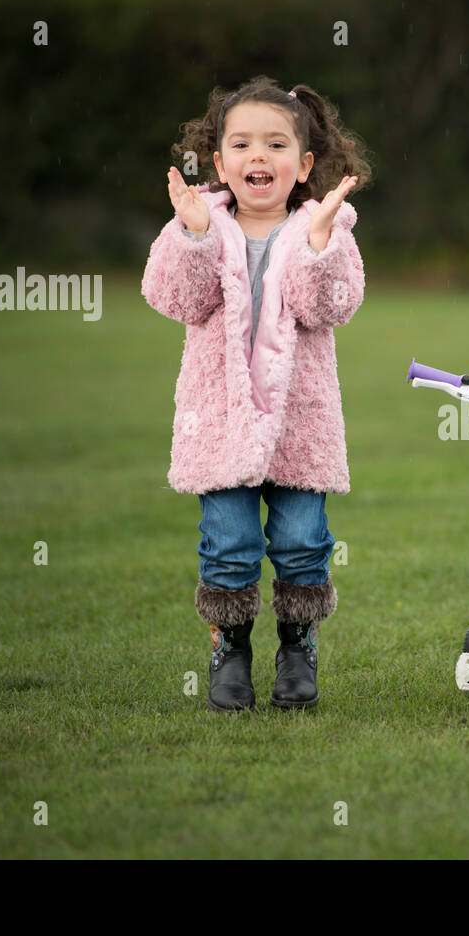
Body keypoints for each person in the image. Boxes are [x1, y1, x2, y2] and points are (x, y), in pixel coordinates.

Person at [141, 75, 371, 712]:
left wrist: (322, 245)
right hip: (221, 422)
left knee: (302, 539)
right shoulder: (201, 224)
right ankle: (230, 650)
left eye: (275, 145)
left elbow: (328, 307)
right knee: (229, 542)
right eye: (241, 145)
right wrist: (192, 237)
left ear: (303, 165)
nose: (257, 157)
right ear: (218, 163)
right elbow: (177, 299)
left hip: (300, 423)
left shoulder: (321, 228)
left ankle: (298, 647)